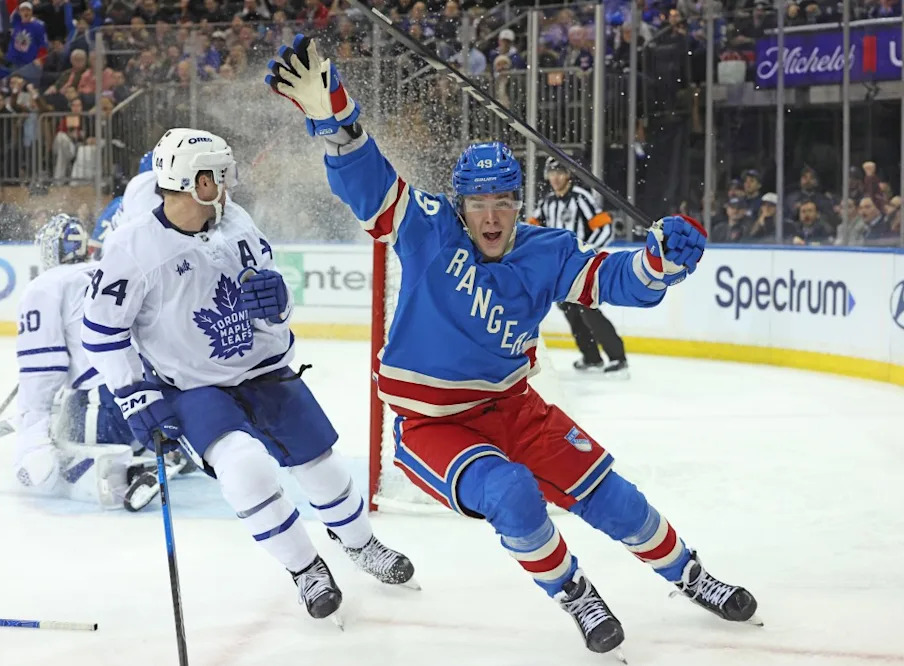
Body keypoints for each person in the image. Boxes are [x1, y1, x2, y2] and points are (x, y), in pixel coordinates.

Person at [267, 35, 758, 657]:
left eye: (503, 202)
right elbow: (368, 182)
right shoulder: (427, 228)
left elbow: (612, 279)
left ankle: (690, 576)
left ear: (517, 203)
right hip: (434, 426)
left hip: (516, 408)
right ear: (460, 204)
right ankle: (575, 592)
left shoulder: (543, 250)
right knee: (513, 496)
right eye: (479, 203)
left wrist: (658, 265)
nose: (492, 217)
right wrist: (334, 120)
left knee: (618, 500)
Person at [81, 128, 416, 623]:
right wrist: (133, 393)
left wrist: (278, 306)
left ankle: (361, 545)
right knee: (245, 469)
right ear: (186, 180)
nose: (226, 183)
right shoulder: (133, 247)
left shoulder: (236, 221)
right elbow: (102, 331)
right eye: (214, 175)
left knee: (320, 464)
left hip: (264, 370)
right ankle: (306, 570)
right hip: (194, 386)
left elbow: (271, 303)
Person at [15, 214, 160, 511]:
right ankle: (161, 453)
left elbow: (42, 370)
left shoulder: (45, 285)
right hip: (154, 400)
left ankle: (123, 475)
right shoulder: (107, 272)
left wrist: (33, 435)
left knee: (58, 459)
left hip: (107, 406)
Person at [529, 157, 628, 376]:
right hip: (558, 271)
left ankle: (617, 357)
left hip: (581, 267)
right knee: (570, 312)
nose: (555, 178)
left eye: (559, 173)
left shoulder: (581, 198)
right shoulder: (547, 203)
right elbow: (530, 230)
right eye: (551, 173)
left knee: (588, 310)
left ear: (568, 175)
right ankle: (591, 357)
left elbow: (605, 228)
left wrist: (587, 250)